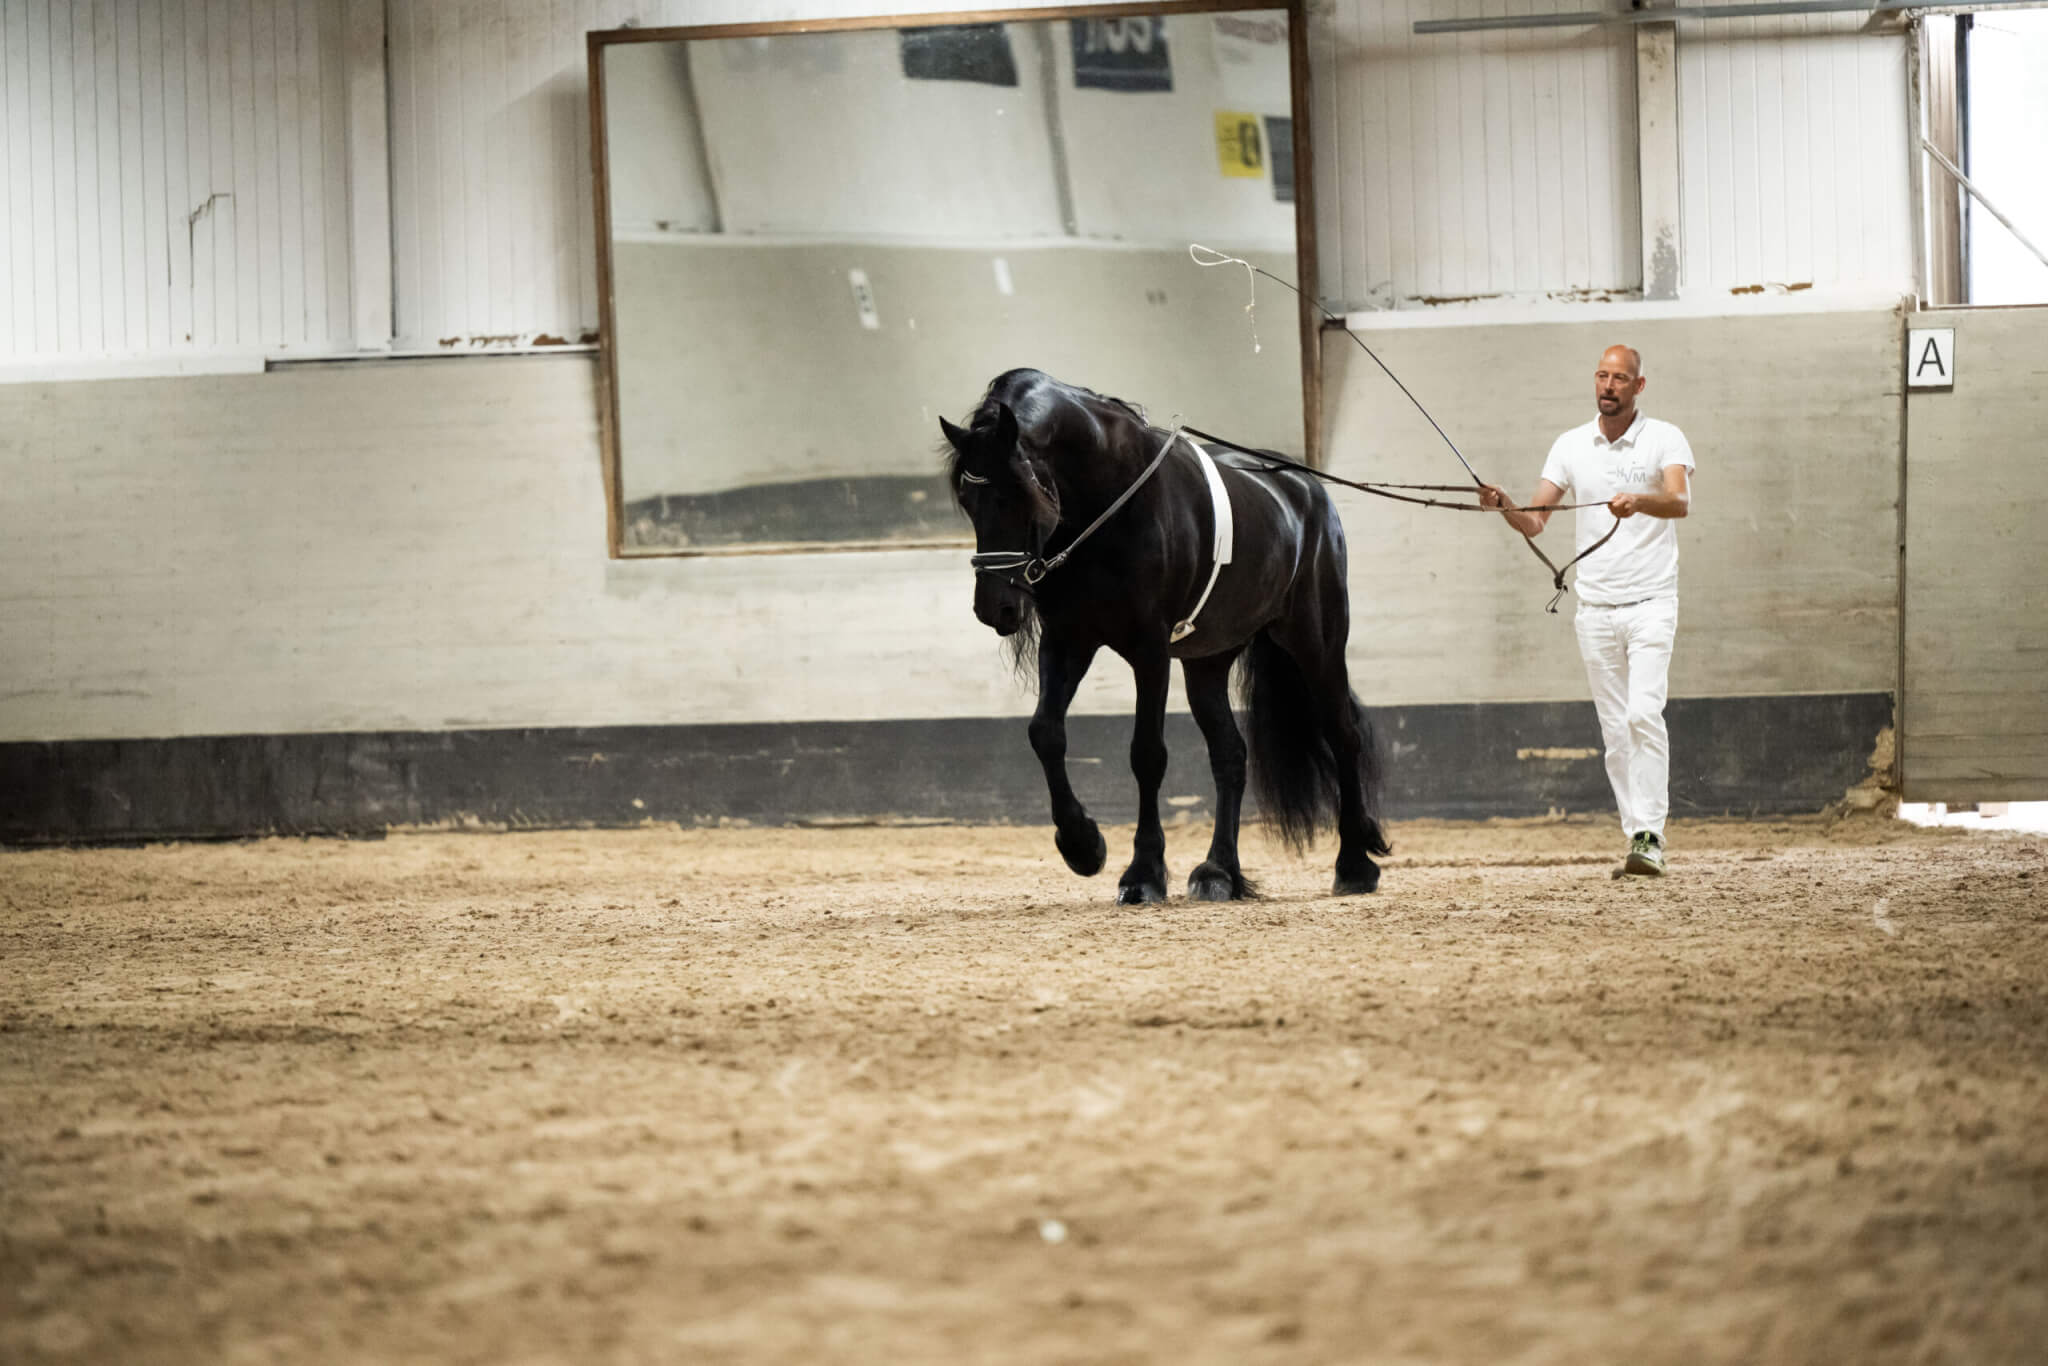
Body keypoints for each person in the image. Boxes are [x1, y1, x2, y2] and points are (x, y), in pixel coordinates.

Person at [1479, 345, 1694, 877]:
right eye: (1602, 375)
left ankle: (1652, 833)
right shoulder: (1571, 445)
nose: (1609, 385)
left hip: (1651, 604)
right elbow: (1535, 521)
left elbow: (1680, 501)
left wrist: (1638, 500)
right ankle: (1638, 837)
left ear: (1638, 386)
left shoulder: (1665, 437)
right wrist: (1505, 505)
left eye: (1620, 378)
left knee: (1643, 714)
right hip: (1595, 610)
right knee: (1616, 732)